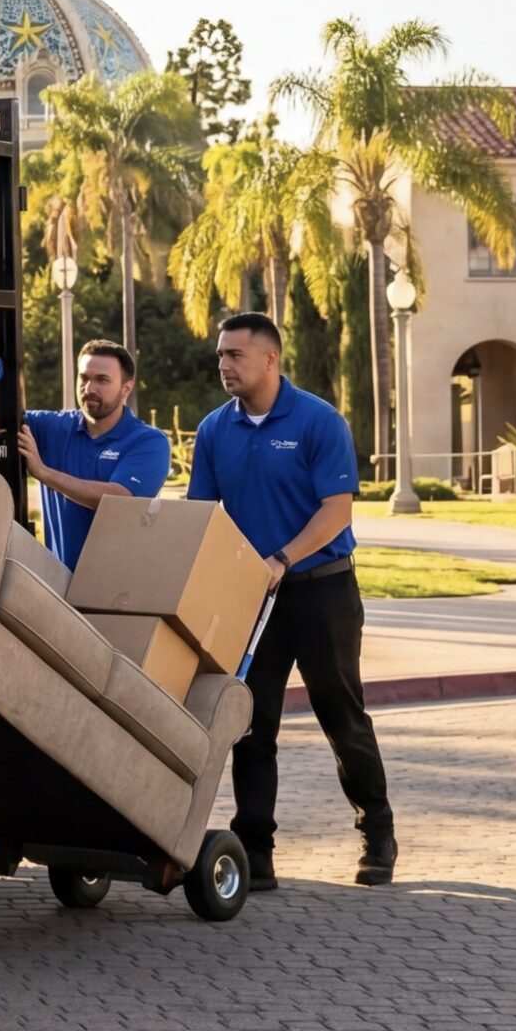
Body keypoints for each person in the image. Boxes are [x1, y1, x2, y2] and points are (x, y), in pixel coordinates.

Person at [187, 310, 395, 890]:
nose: (224, 364)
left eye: (235, 355)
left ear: (270, 358)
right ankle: (256, 851)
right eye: (221, 355)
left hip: (323, 591)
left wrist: (282, 557)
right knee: (252, 723)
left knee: (341, 716)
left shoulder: (317, 421)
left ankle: (377, 832)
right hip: (254, 599)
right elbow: (204, 516)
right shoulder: (213, 430)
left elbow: (337, 511)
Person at [17, 341, 173, 566]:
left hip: (119, 590)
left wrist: (44, 473)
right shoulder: (50, 427)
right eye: (84, 378)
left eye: (102, 380)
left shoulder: (148, 441)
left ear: (126, 389)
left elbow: (118, 499)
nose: (89, 389)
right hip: (56, 587)